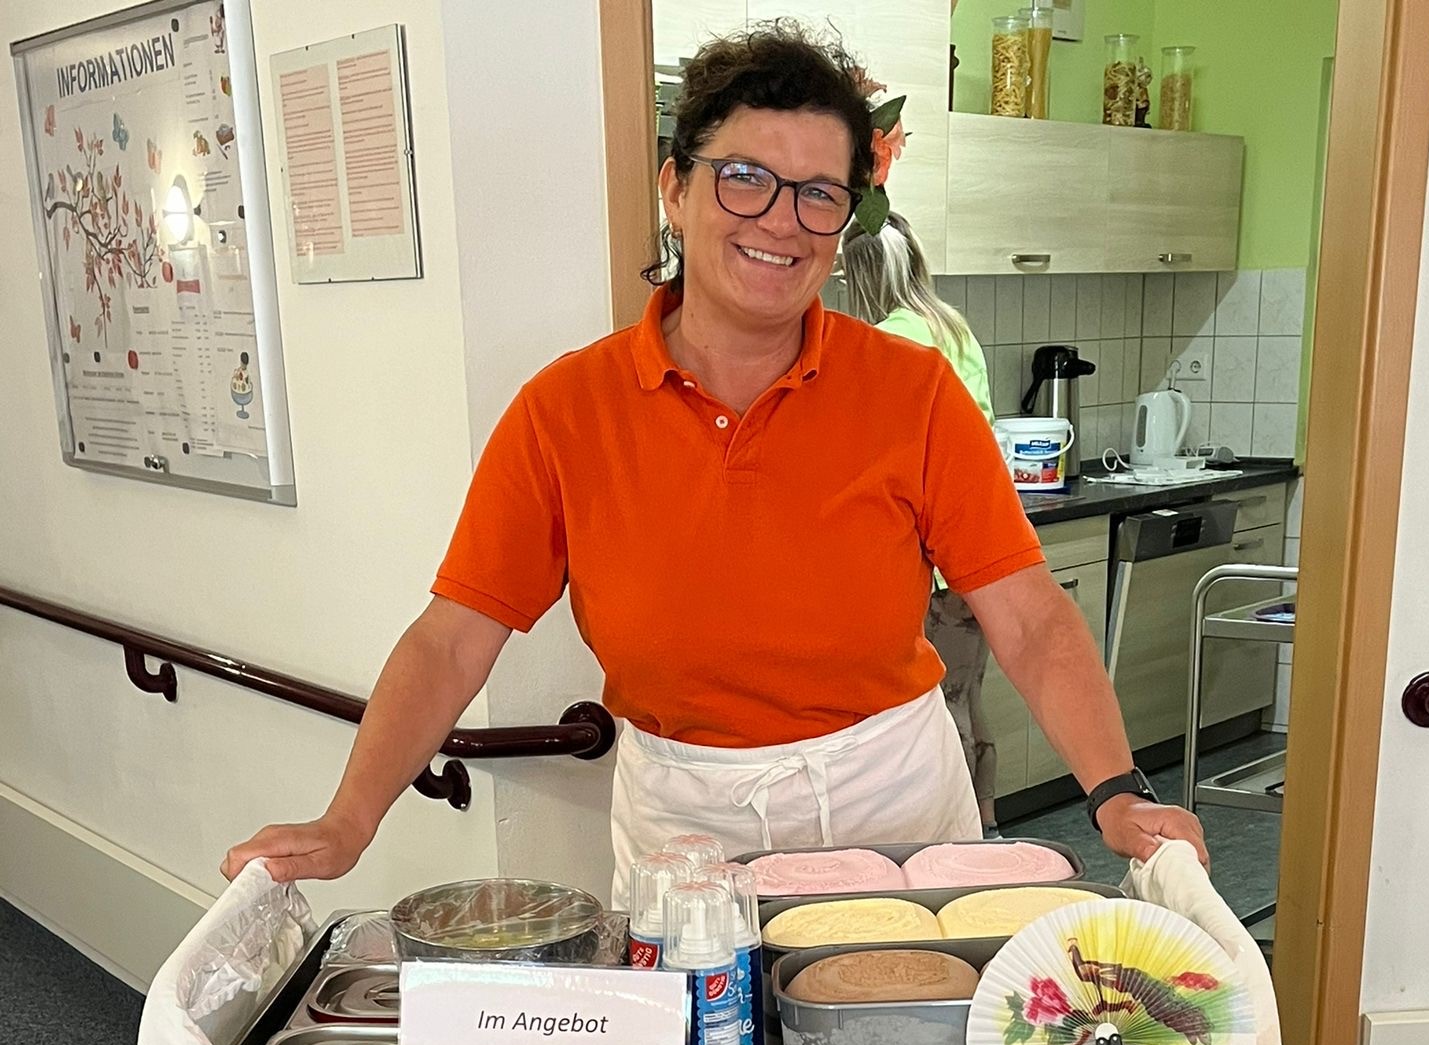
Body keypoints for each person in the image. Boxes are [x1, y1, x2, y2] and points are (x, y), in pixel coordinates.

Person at [223, 27, 1205, 894]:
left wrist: (1117, 790)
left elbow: (1029, 615)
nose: (781, 220)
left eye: (819, 194)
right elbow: (451, 641)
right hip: (685, 825)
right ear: (675, 188)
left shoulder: (914, 394)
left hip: (895, 804)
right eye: (744, 177)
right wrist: (348, 820)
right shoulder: (565, 412)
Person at [841, 211, 1001, 832]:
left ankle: (957, 840)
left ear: (859, 276)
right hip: (976, 545)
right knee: (969, 691)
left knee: (937, 705)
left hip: (928, 562)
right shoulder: (953, 327)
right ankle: (986, 823)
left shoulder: (887, 340)